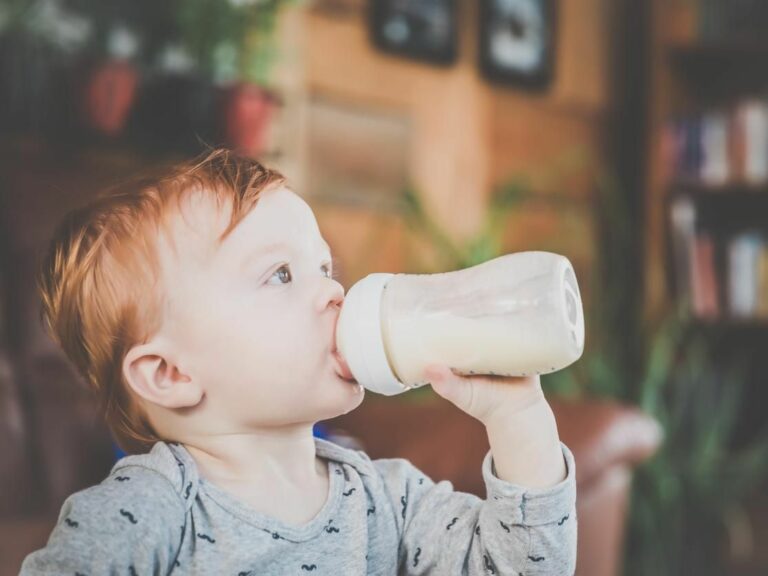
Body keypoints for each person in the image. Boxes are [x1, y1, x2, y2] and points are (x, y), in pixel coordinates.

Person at [21, 148, 577, 575]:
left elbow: (522, 566)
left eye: (325, 268)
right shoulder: (144, 512)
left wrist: (518, 417)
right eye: (280, 275)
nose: (335, 293)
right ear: (172, 374)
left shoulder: (387, 498)